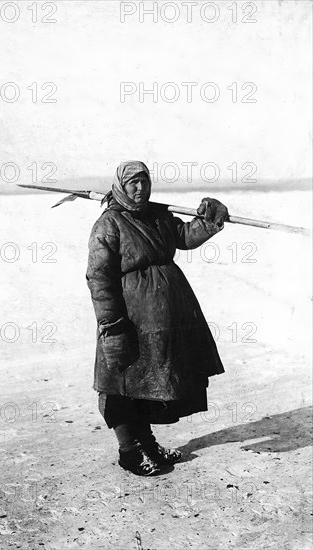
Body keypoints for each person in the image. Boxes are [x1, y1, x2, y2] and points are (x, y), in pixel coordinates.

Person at [86, 160, 228, 476]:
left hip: (165, 317)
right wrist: (112, 323)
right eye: (133, 183)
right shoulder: (110, 224)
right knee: (121, 381)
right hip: (130, 317)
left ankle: (147, 444)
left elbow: (183, 236)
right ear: (121, 186)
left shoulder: (157, 215)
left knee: (148, 382)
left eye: (145, 182)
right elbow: (98, 276)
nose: (140, 188)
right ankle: (129, 452)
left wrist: (206, 222)